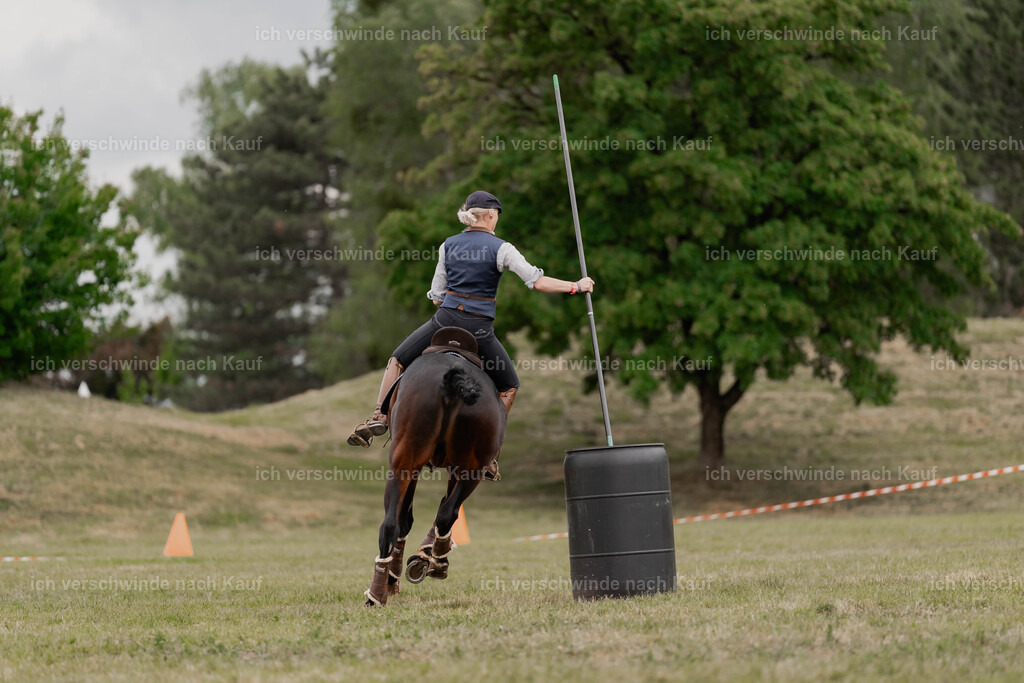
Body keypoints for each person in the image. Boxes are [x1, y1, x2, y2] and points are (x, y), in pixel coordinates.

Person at [347, 190, 595, 481]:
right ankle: (489, 454)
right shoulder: (503, 249)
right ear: (491, 214)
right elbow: (537, 282)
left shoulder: (448, 245)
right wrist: (577, 286)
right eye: (497, 216)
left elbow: (437, 295)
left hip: (444, 321)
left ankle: (379, 417)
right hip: (479, 330)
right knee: (510, 385)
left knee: (397, 360)